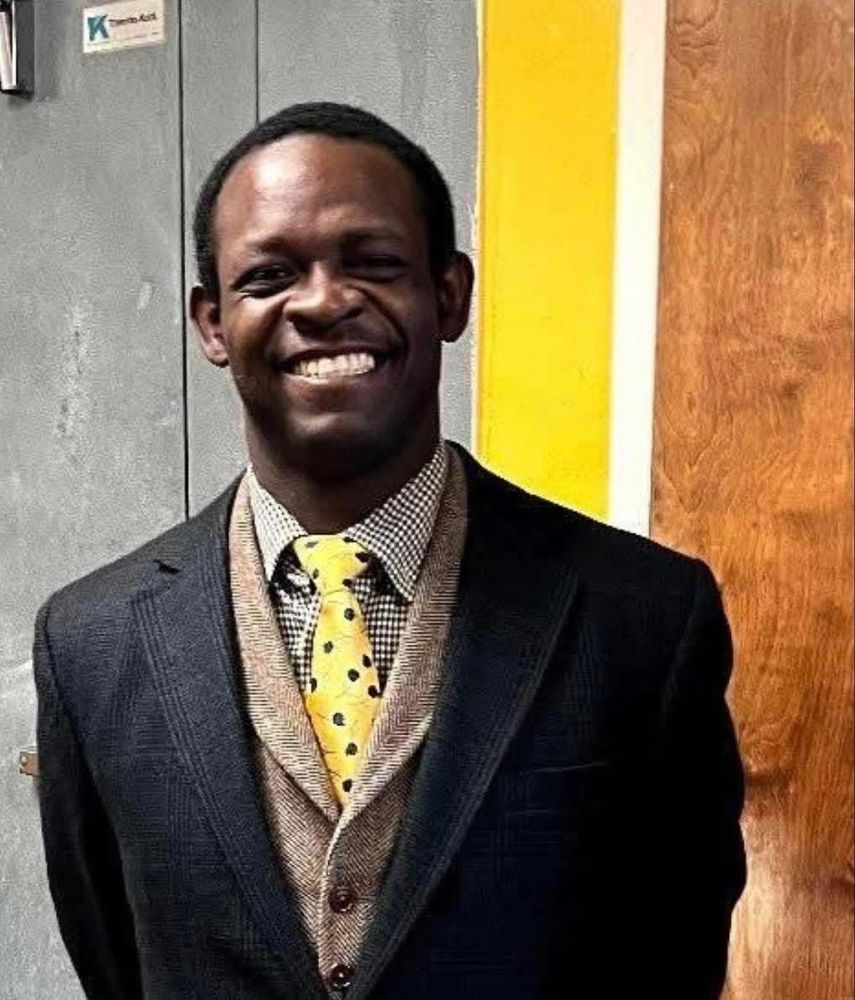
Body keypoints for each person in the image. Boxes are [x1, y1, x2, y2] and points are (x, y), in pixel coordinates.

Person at [34, 102, 746, 1000]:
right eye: (269, 276)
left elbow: (671, 957)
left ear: (449, 294)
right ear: (212, 323)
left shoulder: (640, 618)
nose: (325, 301)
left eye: (372, 263)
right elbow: (115, 961)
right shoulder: (93, 645)